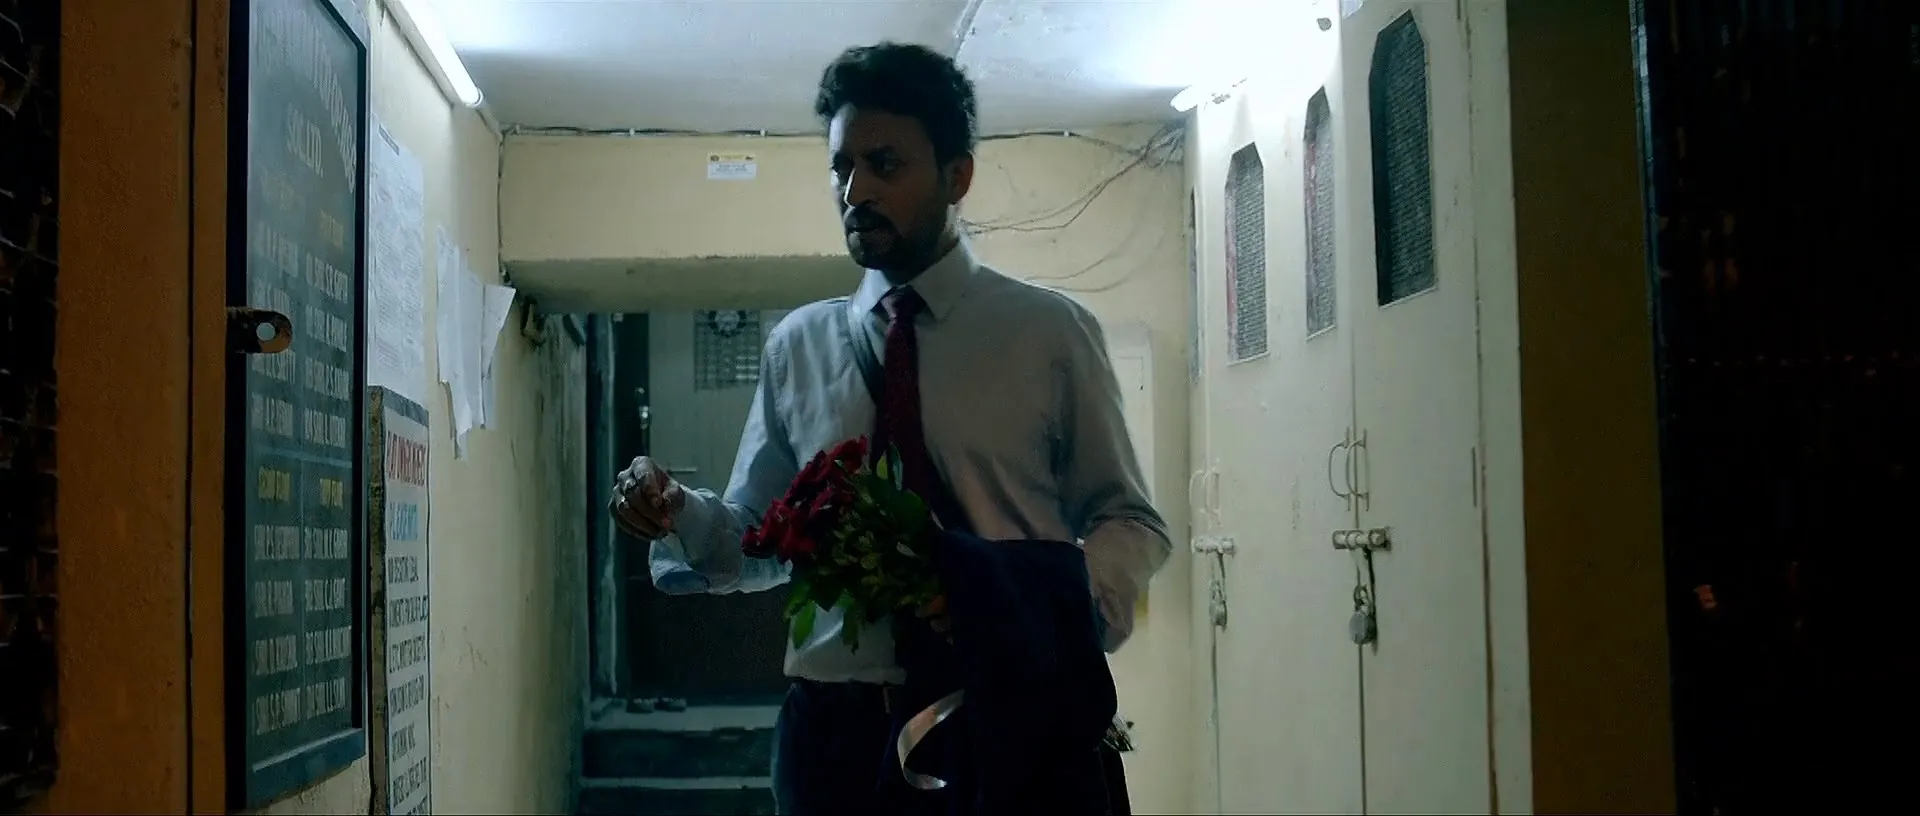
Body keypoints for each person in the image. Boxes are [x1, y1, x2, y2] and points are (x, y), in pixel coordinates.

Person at [609, 41, 1170, 815]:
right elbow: (760, 541)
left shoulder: (1050, 335)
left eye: (885, 165)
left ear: (956, 176)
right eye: (842, 167)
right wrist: (680, 511)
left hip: (1001, 722)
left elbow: (1132, 522)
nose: (856, 191)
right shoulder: (799, 347)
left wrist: (1036, 605)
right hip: (832, 741)